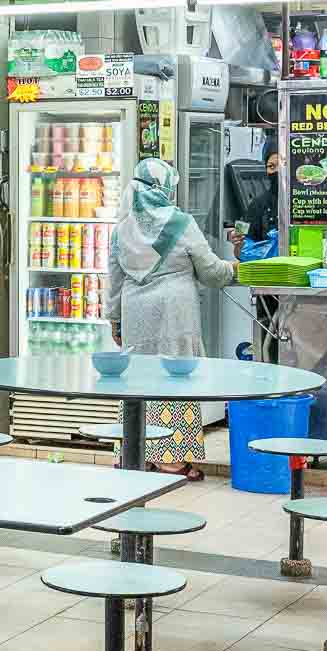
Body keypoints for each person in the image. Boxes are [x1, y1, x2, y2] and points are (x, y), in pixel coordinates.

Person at [108, 158, 236, 480]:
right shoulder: (181, 223)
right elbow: (211, 271)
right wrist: (235, 270)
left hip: (135, 314)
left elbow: (114, 280)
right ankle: (172, 461)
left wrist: (115, 321)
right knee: (176, 380)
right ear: (164, 188)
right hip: (175, 315)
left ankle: (133, 454)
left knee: (138, 383)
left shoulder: (121, 230)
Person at [228, 137, 280, 256]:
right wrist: (237, 240)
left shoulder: (307, 200)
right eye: (271, 166)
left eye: (283, 164)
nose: (277, 171)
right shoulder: (258, 204)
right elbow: (240, 252)